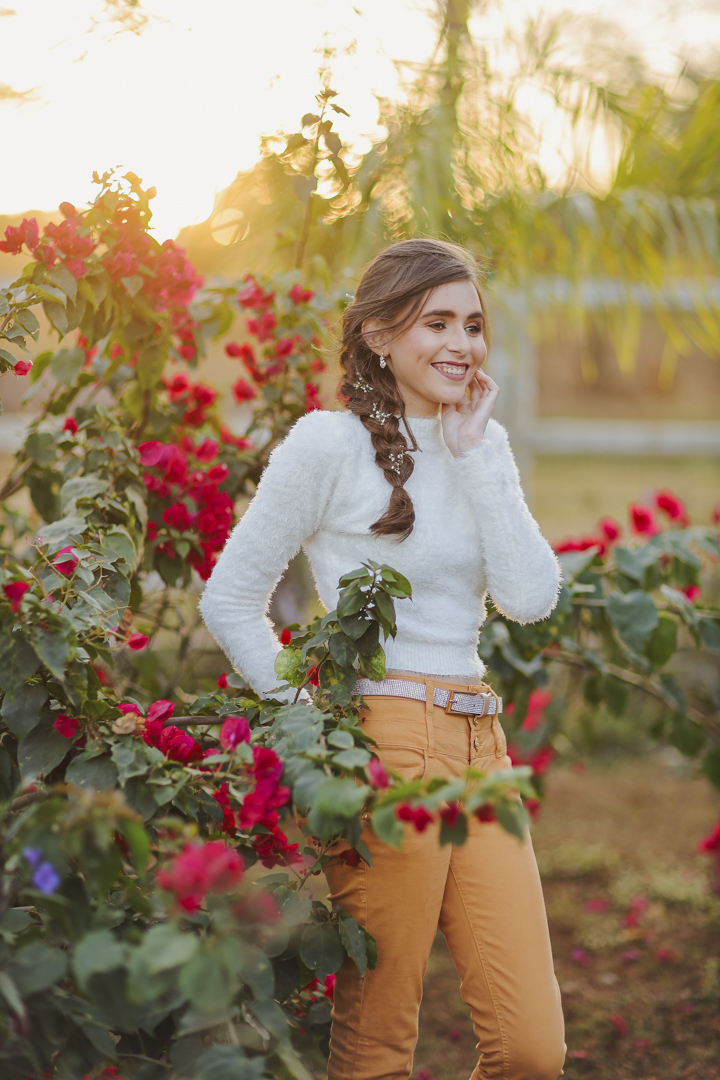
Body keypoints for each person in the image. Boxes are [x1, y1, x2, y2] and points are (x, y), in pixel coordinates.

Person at [199, 238, 566, 1080]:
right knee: (377, 1043)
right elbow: (230, 598)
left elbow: (529, 596)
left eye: (472, 324)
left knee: (532, 1051)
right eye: (437, 322)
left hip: (481, 747)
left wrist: (475, 456)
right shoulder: (327, 445)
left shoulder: (483, 445)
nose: (461, 344)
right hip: (383, 742)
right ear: (377, 333)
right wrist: (315, 727)